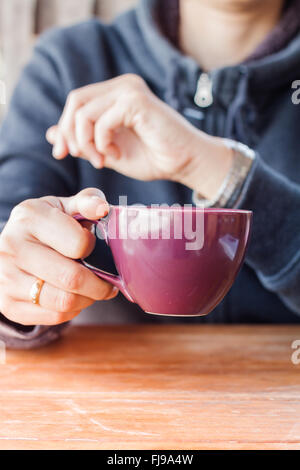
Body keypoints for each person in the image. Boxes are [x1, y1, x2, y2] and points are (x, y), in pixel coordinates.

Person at [0, 0, 300, 349]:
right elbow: (9, 231)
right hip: (108, 388)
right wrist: (15, 288)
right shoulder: (70, 62)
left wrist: (216, 169)